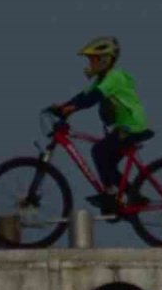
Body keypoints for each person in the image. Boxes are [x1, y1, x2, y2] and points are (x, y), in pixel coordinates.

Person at [48, 36, 152, 214]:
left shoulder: (114, 77)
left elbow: (93, 98)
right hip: (124, 128)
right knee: (108, 164)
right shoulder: (101, 79)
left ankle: (111, 195)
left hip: (132, 127)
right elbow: (83, 96)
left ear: (105, 59)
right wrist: (64, 107)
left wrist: (71, 109)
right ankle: (132, 196)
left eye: (93, 59)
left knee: (99, 151)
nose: (90, 63)